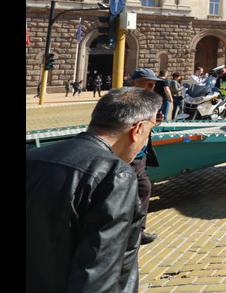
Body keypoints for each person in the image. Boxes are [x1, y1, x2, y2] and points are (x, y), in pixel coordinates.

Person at [26, 86, 160, 293]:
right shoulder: (115, 174)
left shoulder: (33, 157)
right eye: (150, 131)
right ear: (137, 130)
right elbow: (99, 271)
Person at [128, 69, 165, 245]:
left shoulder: (149, 102)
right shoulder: (123, 100)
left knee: (144, 188)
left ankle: (138, 232)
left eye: (153, 84)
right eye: (147, 83)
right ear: (134, 83)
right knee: (128, 194)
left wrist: (155, 121)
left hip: (141, 155)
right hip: (126, 155)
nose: (151, 87)